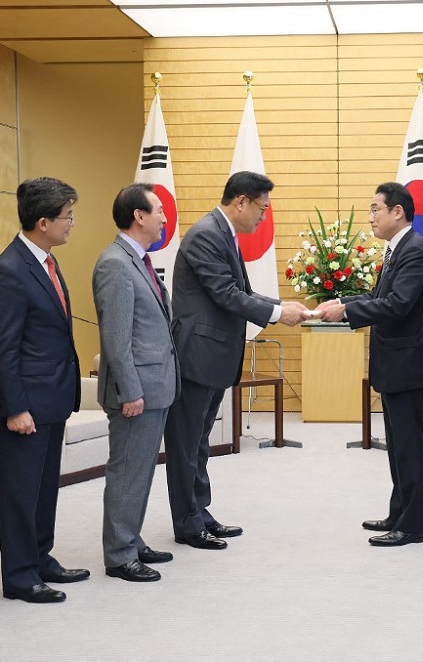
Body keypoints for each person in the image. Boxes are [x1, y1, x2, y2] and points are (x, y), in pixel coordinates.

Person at [166, 171, 307, 550]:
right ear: (241, 201)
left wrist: (282, 305)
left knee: (199, 442)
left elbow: (241, 292)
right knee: (185, 443)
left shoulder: (221, 232)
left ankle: (200, 512)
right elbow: (226, 294)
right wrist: (278, 315)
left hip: (214, 355)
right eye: (262, 208)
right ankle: (187, 523)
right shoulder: (206, 234)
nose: (264, 216)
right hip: (198, 354)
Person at [316, 182, 423, 547]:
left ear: (398, 212)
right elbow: (378, 297)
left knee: (409, 445)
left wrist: (347, 311)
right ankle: (400, 511)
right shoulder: (396, 250)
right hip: (396, 362)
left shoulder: (416, 252)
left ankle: (414, 524)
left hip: (409, 362)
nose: (370, 217)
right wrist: (341, 303)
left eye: (375, 209)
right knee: (398, 443)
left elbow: (399, 304)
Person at [0, 177, 89, 604]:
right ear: (42, 222)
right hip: (24, 405)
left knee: (45, 488)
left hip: (52, 398)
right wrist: (16, 407)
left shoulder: (46, 260)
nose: (72, 223)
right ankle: (20, 575)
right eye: (67, 217)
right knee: (20, 493)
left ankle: (41, 557)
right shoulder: (9, 270)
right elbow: (3, 348)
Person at [94, 183, 180, 581]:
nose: (165, 218)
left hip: (155, 386)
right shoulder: (115, 263)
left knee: (142, 469)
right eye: (159, 210)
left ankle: (131, 537)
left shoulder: (138, 260)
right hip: (136, 392)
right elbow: (116, 339)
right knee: (128, 471)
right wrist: (130, 390)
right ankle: (120, 555)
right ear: (138, 216)